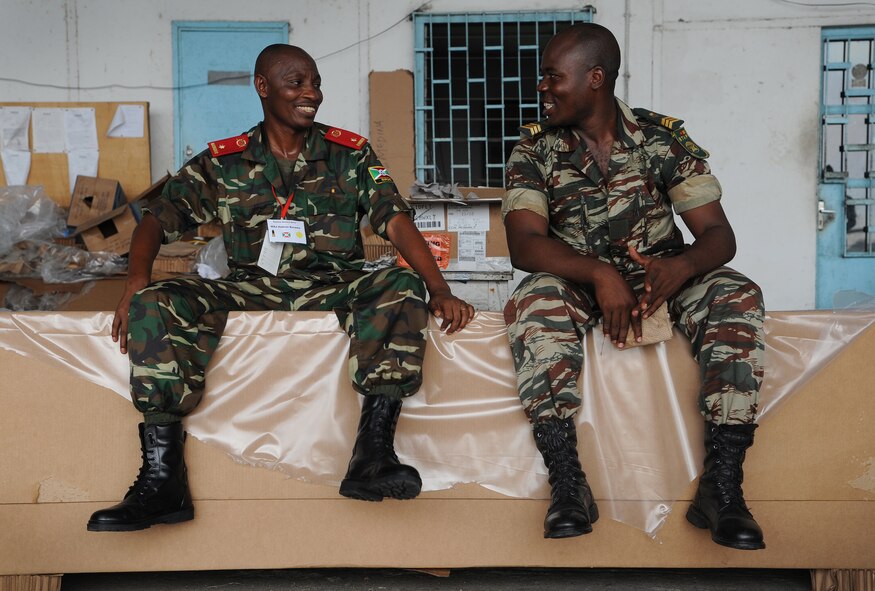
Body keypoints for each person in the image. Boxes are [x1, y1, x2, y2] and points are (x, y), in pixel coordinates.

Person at [87, 44, 475, 532]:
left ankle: (372, 456)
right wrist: (136, 284)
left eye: (315, 82)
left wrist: (438, 288)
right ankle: (164, 481)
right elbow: (155, 221)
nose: (311, 92)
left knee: (399, 282)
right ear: (263, 87)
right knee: (156, 303)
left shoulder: (348, 153)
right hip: (253, 286)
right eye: (297, 83)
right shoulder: (224, 161)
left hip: (335, 285)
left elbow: (394, 221)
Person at [502, 23, 766, 550]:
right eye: (543, 78)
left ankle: (724, 487)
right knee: (533, 301)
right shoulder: (534, 151)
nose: (542, 88)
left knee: (738, 294)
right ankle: (569, 484)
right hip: (576, 278)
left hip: (661, 276)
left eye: (554, 77)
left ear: (595, 78)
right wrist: (599, 274)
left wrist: (683, 267)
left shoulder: (661, 139)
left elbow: (718, 234)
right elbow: (525, 245)